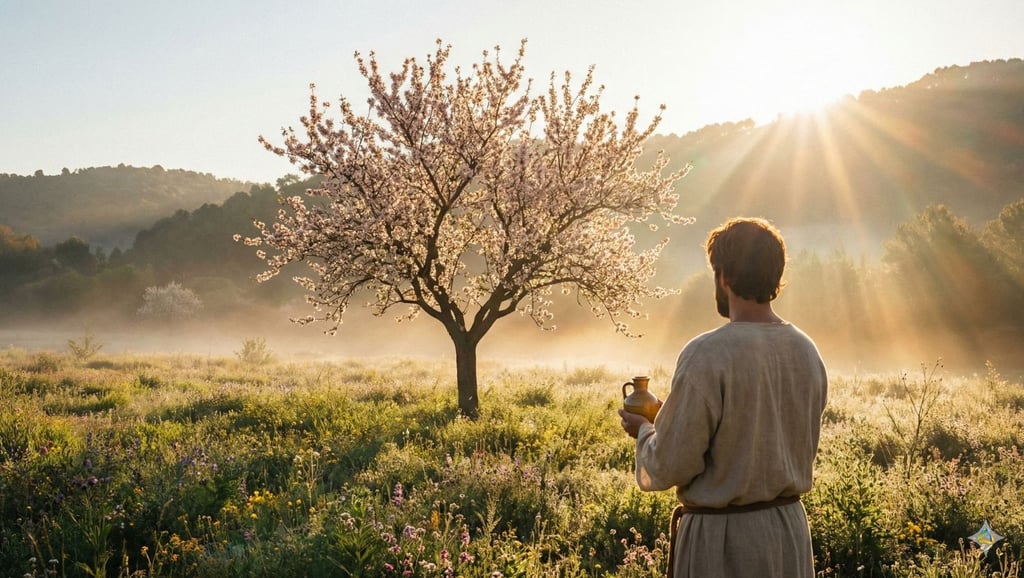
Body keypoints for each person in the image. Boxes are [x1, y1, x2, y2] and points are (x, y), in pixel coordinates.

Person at [618, 217, 828, 578]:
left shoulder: (708, 354)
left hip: (723, 544)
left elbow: (672, 463)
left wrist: (645, 432)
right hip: (788, 535)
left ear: (725, 276)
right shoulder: (806, 350)